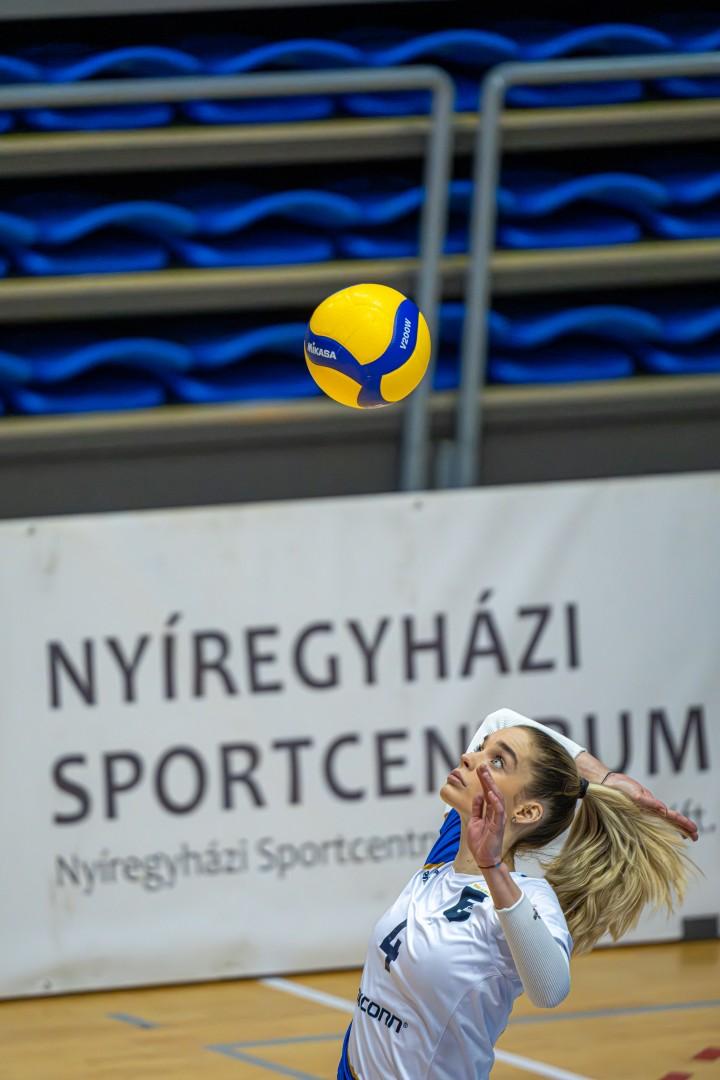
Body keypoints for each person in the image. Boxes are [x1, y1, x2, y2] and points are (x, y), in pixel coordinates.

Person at [338, 708, 698, 1080]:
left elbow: (550, 989)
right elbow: (500, 719)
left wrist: (493, 867)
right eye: (481, 748)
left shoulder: (527, 897)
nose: (469, 757)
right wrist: (604, 777)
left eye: (497, 761)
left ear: (525, 812)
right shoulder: (445, 857)